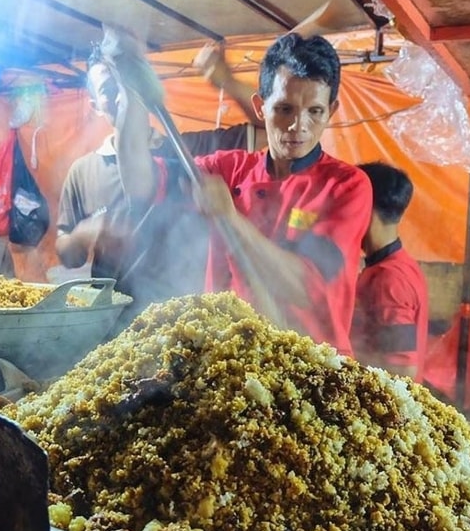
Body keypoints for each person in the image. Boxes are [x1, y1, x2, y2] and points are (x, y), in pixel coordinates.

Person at [112, 32, 373, 356]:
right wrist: (131, 93)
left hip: (313, 372)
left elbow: (305, 289)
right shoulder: (228, 169)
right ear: (259, 107)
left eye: (315, 112)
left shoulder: (346, 185)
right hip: (229, 361)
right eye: (284, 109)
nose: (298, 126)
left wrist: (230, 217)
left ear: (331, 110)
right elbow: (139, 181)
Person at [55, 41, 266, 329]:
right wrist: (81, 235)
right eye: (108, 88)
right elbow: (66, 253)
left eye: (127, 82)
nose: (121, 96)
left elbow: (269, 123)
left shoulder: (190, 150)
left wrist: (226, 80)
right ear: (94, 105)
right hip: (110, 320)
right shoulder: (82, 171)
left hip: (186, 317)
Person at [351, 161, 429, 380]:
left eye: (350, 202)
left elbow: (403, 368)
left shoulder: (389, 279)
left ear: (366, 206)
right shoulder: (401, 264)